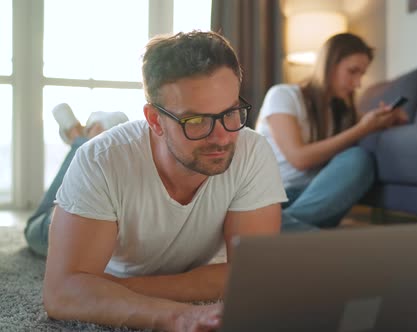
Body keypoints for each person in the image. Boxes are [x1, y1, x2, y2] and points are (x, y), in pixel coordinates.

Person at [41, 31, 287, 332]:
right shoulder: (100, 161)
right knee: (45, 219)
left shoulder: (251, 151)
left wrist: (120, 287)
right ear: (155, 120)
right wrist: (180, 315)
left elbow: (251, 276)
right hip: (86, 225)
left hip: (120, 248)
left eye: (231, 113)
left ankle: (88, 131)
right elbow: (61, 292)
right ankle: (81, 137)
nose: (222, 137)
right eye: (196, 121)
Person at [256, 33, 408, 231]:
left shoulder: (340, 110)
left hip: (317, 196)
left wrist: (389, 120)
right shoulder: (282, 95)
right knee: (356, 156)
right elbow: (299, 158)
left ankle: (282, 228)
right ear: (329, 64)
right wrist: (361, 129)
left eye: (362, 74)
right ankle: (291, 230)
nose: (358, 83)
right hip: (277, 196)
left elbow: (367, 124)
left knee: (358, 159)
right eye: (352, 72)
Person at [25, 103, 129, 256]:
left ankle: (82, 140)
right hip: (110, 228)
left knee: (35, 227)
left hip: (79, 230)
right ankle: (91, 140)